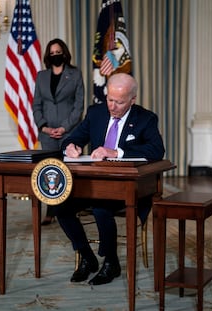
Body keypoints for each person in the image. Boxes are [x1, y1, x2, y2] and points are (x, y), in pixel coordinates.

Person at [55, 73, 165, 285]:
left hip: (128, 189)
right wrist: (70, 146)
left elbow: (157, 150)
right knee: (59, 205)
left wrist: (116, 152)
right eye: (110, 99)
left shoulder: (145, 118)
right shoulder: (96, 113)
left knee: (100, 207)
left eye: (119, 102)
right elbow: (73, 138)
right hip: (92, 184)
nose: (112, 106)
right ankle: (87, 257)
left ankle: (111, 261)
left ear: (132, 99)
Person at [33, 38, 84, 225]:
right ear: (48, 55)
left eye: (58, 52)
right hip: (47, 134)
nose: (55, 55)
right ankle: (50, 211)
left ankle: (72, 209)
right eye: (52, 53)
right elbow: (36, 105)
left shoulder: (75, 74)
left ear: (64, 53)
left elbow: (79, 106)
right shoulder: (41, 76)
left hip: (69, 132)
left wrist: (64, 127)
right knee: (48, 171)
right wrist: (44, 127)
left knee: (69, 171)